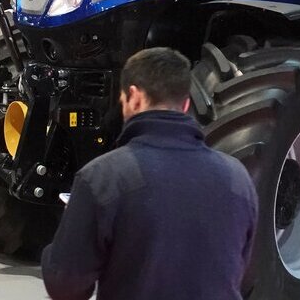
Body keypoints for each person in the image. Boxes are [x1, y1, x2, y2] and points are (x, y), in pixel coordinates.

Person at [41, 47, 258, 300]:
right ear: (186, 103)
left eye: (122, 101)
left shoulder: (102, 178)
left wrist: (70, 226)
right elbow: (241, 273)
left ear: (133, 96)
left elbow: (66, 287)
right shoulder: (238, 178)